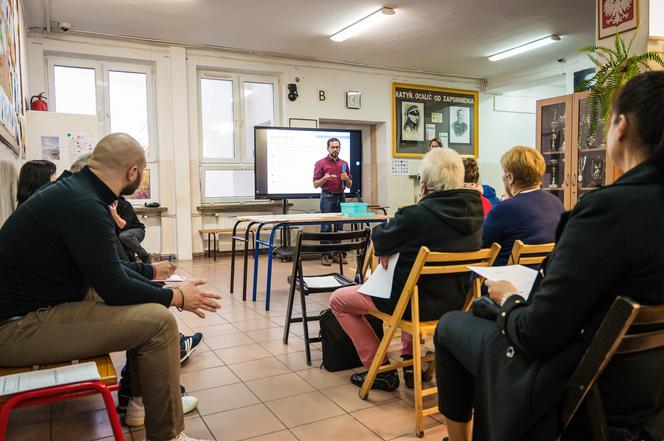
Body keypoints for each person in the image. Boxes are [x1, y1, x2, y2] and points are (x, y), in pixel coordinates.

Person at [434, 72, 664, 441]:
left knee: (450, 326)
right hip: (650, 388)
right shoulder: (563, 203)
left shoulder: (607, 211)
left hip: (581, 382)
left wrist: (509, 299)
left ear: (620, 125)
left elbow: (536, 334)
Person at [0, 132, 221, 441]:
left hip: (28, 312)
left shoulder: (73, 191)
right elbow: (113, 286)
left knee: (145, 309)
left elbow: (106, 270)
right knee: (159, 323)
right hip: (14, 330)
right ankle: (168, 435)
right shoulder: (84, 206)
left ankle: (138, 405)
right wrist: (176, 296)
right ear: (133, 173)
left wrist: (150, 272)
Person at [330, 148, 483, 391]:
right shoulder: (478, 214)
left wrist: (389, 247)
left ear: (423, 185)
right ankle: (412, 365)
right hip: (456, 303)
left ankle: (377, 369)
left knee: (338, 300)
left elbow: (379, 239)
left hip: (410, 303)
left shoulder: (416, 216)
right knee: (414, 282)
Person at [482, 146, 564, 266]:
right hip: (544, 278)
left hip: (507, 280)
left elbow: (483, 249)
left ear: (510, 177)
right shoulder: (556, 203)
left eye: (503, 172)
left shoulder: (503, 210)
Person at [313, 137, 352, 266]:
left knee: (339, 227)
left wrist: (346, 179)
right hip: (327, 197)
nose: (335, 149)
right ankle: (325, 255)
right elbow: (315, 184)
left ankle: (336, 254)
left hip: (341, 197)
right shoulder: (321, 163)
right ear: (328, 148)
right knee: (326, 227)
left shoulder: (344, 164)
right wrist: (324, 178)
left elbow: (350, 185)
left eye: (337, 147)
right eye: (332, 147)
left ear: (340, 148)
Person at [110, 196, 151, 263]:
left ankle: (144, 255)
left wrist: (114, 214)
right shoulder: (106, 207)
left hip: (137, 230)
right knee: (127, 260)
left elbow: (123, 226)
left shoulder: (125, 205)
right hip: (121, 235)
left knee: (124, 236)